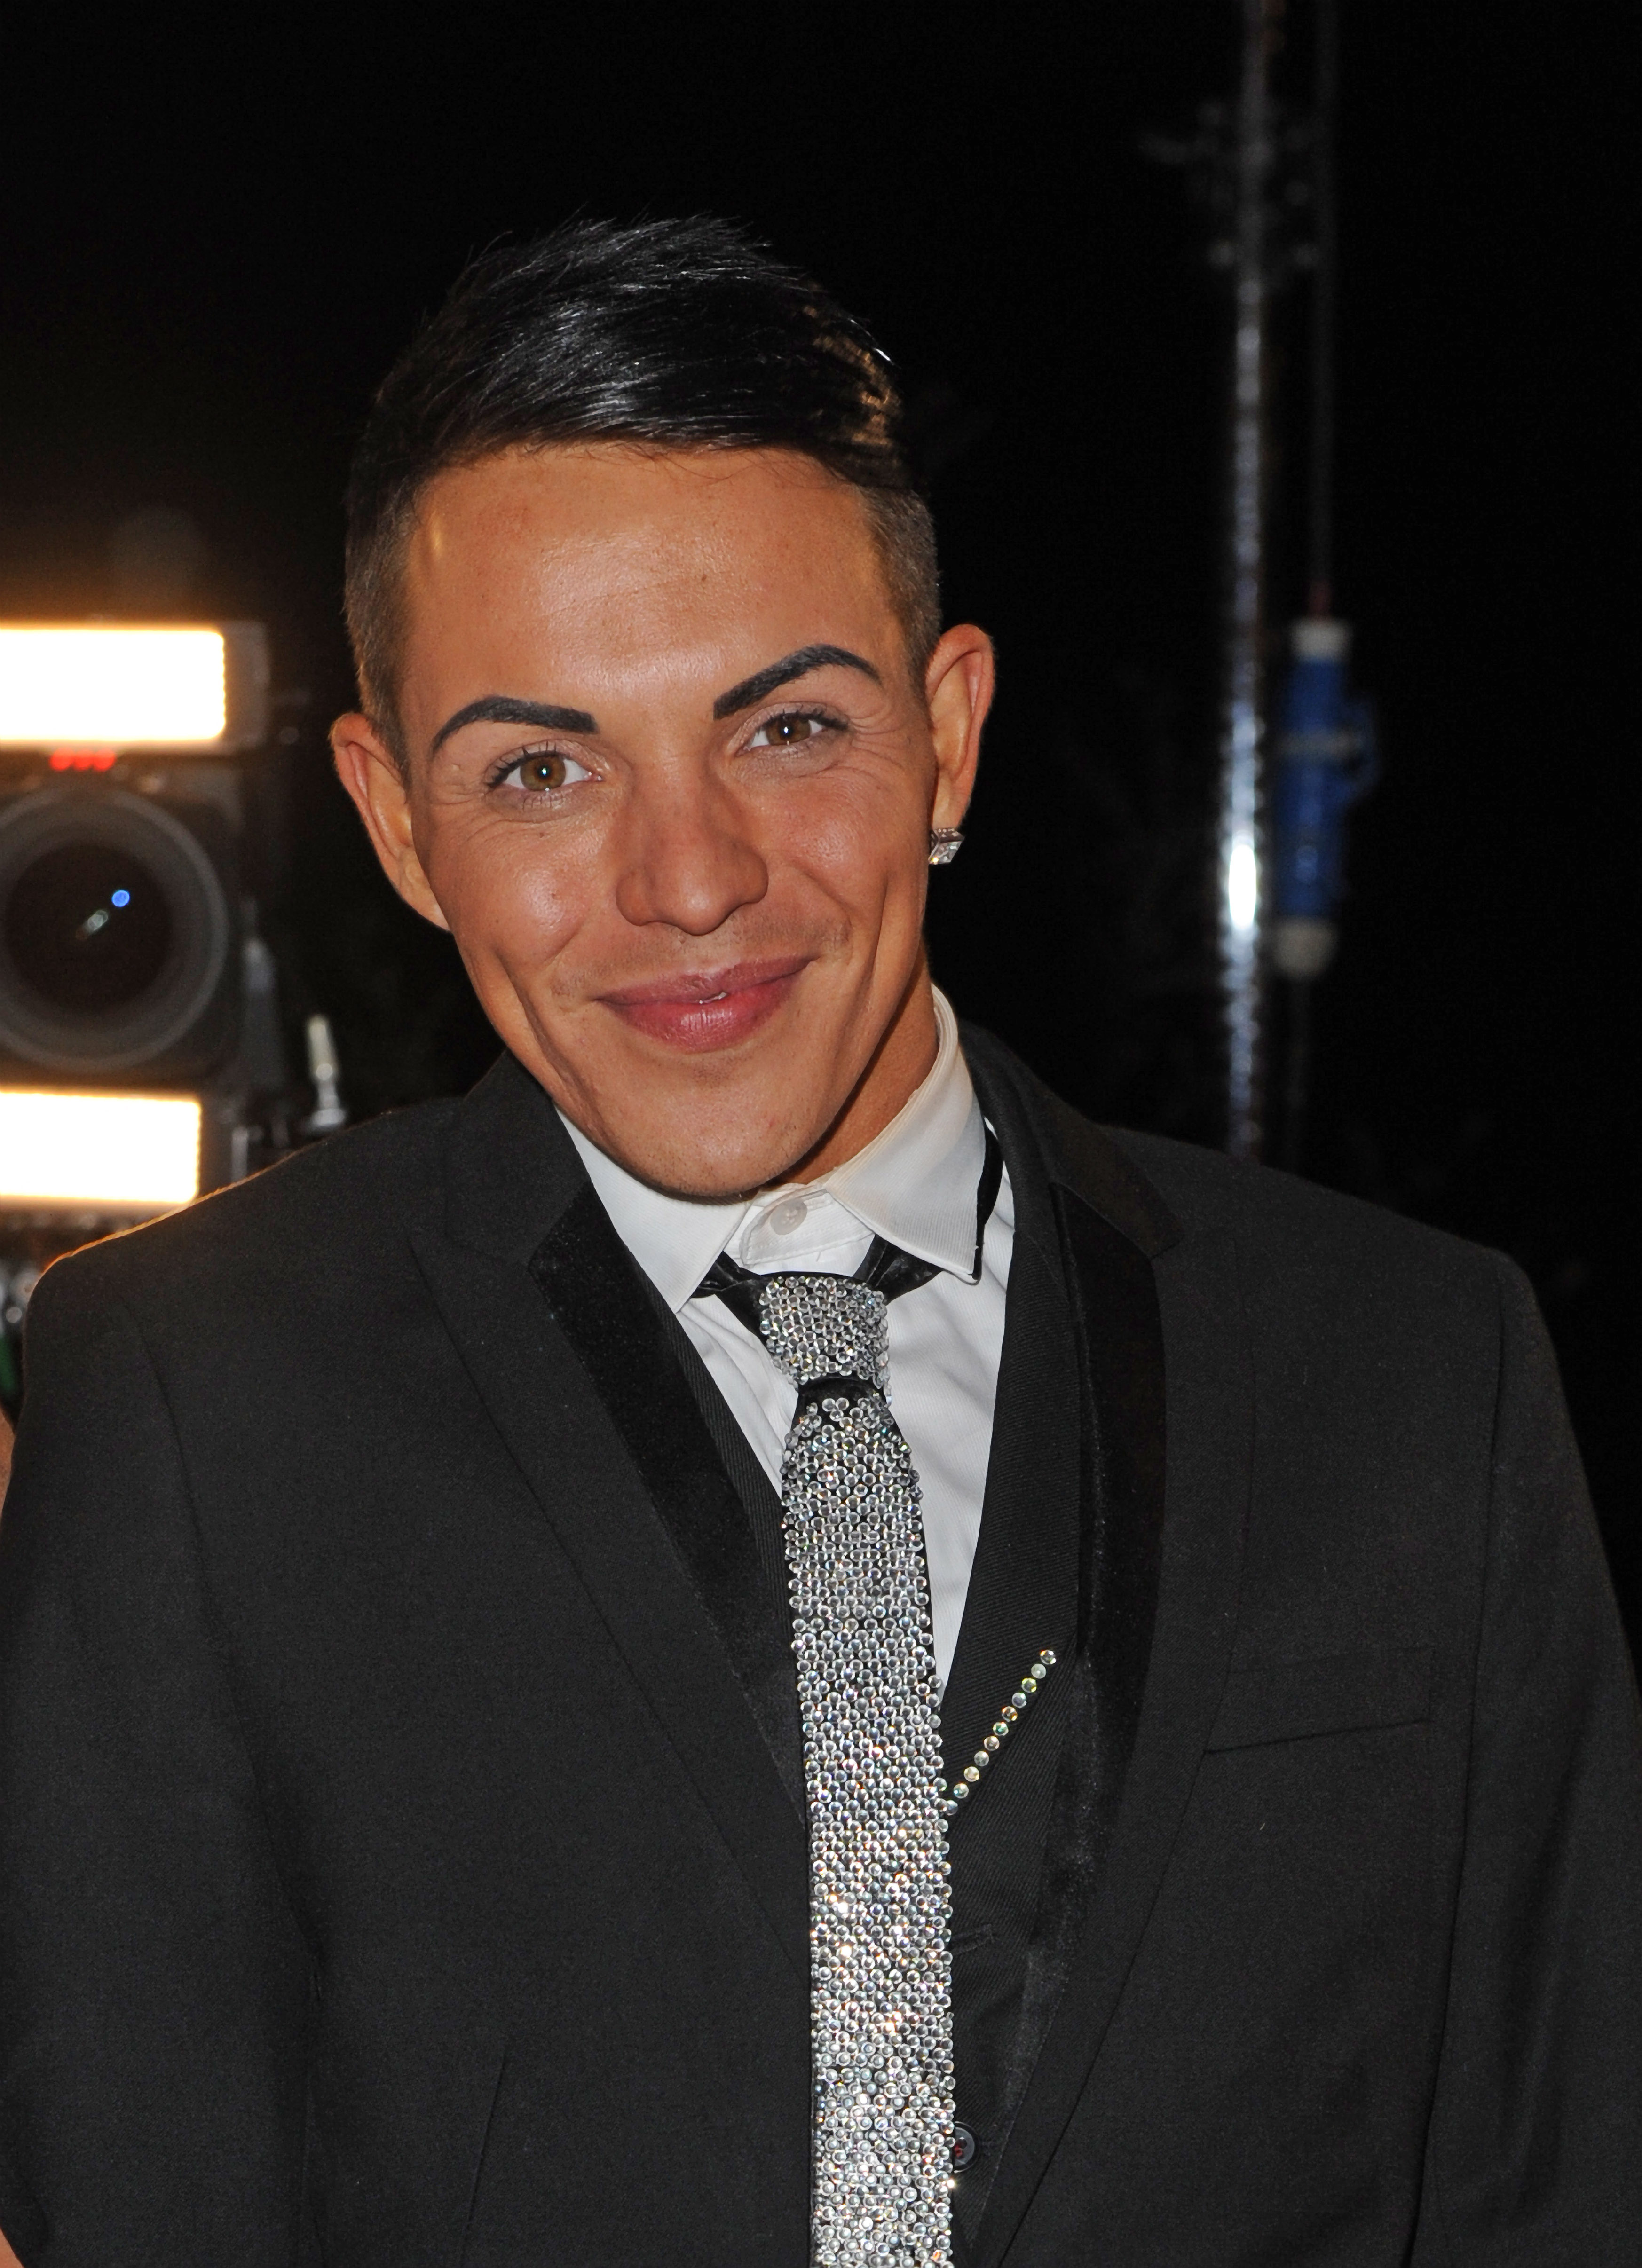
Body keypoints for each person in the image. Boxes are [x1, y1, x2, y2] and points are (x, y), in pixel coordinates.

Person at [1, 218, 1638, 2268]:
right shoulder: (188, 1392)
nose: (687, 880)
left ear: (947, 735)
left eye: (788, 730)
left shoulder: (1415, 1372)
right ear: (398, 822)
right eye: (539, 768)